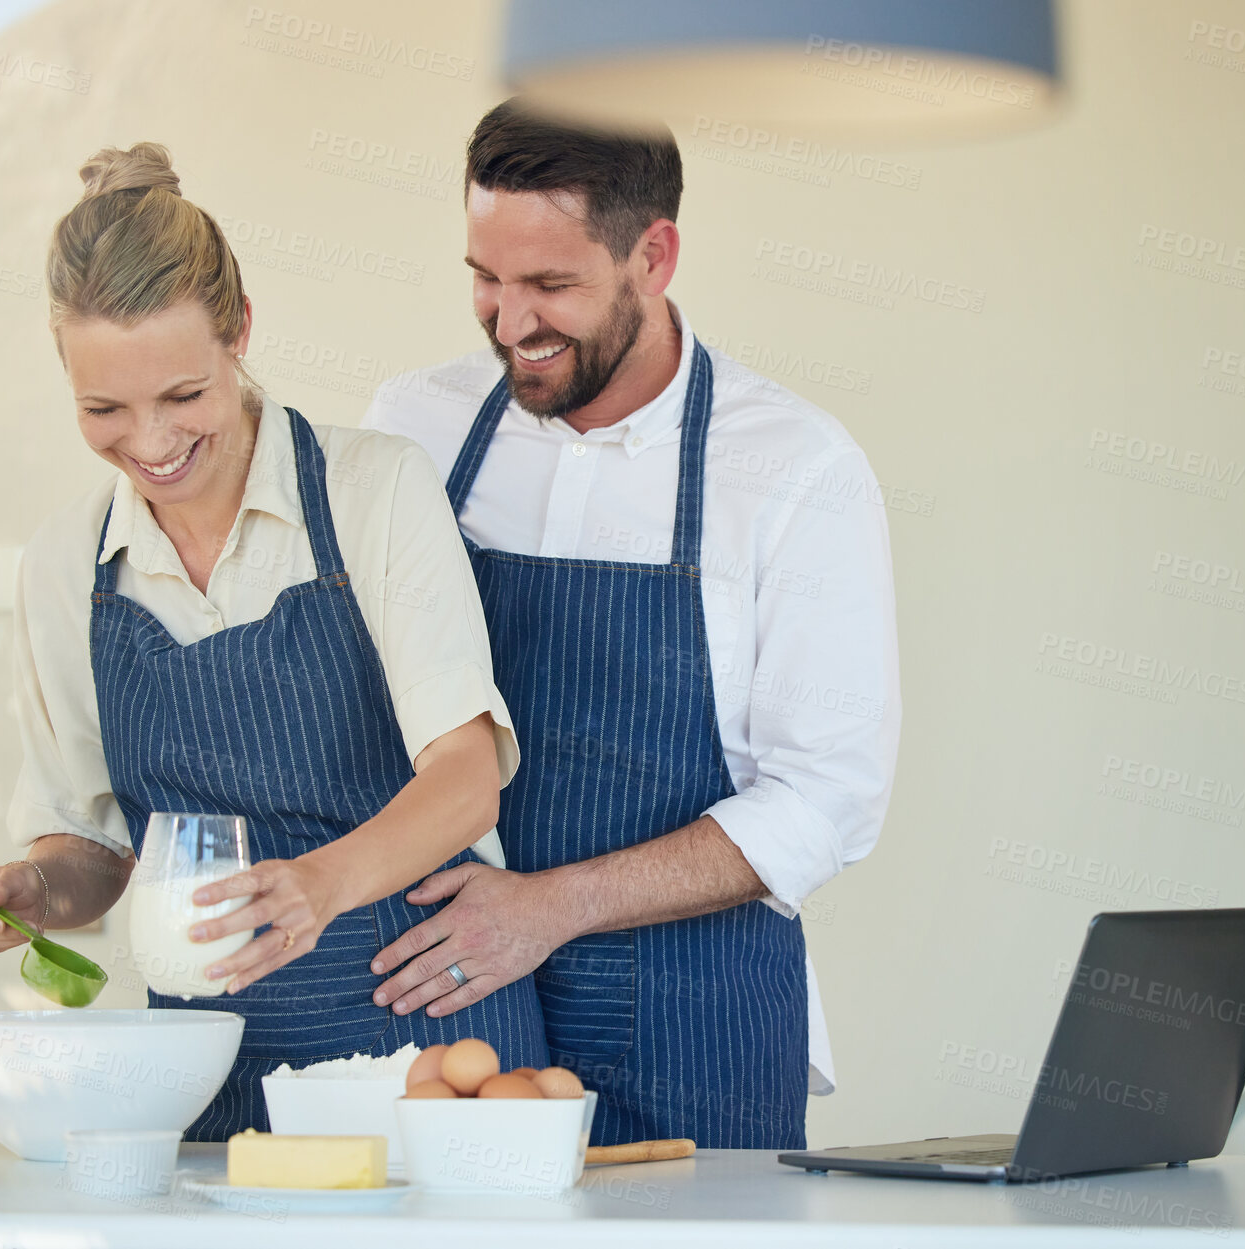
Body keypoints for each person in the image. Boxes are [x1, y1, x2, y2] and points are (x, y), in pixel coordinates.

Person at [0, 142, 547, 1138]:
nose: (149, 442)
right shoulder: (66, 567)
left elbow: (466, 776)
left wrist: (317, 885)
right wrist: (30, 892)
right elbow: (93, 844)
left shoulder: (373, 493)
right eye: (102, 409)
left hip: (424, 1053)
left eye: (182, 396)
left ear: (239, 332)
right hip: (199, 1079)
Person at [362, 101, 901, 1149]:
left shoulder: (793, 468)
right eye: (486, 276)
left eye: (552, 286)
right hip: (458, 998)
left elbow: (830, 798)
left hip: (693, 1014)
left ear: (652, 257)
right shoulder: (414, 426)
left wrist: (548, 906)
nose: (510, 323)